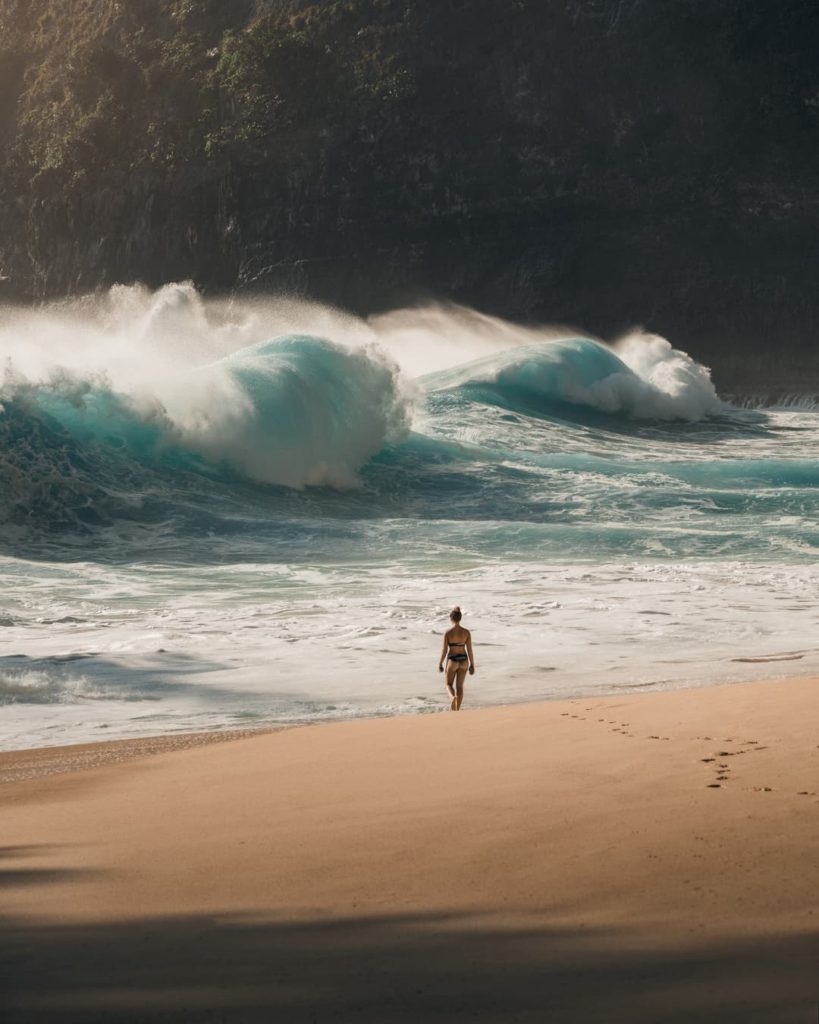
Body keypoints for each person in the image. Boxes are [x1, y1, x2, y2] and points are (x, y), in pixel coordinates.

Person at [438, 606, 475, 711]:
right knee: (460, 687)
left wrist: (440, 663)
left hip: (452, 660)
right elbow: (470, 650)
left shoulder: (448, 633)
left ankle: (452, 697)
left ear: (451, 618)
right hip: (464, 660)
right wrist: (472, 664)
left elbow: (444, 650)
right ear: (460, 618)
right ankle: (457, 709)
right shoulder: (466, 632)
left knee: (448, 684)